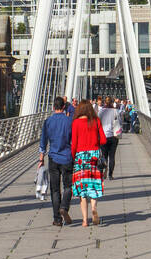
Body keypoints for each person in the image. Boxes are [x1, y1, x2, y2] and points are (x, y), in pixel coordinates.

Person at [38, 96, 74, 227]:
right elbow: (73, 140)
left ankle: (57, 219)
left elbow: (43, 141)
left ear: (54, 107)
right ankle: (64, 206)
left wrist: (41, 158)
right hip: (67, 157)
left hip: (53, 157)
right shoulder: (70, 121)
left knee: (54, 189)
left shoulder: (48, 121)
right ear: (64, 107)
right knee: (68, 186)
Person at [71, 99, 107, 227]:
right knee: (93, 185)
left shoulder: (75, 123)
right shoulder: (96, 121)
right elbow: (103, 140)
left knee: (82, 189)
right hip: (94, 157)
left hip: (80, 157)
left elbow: (74, 143)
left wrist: (73, 157)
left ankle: (85, 220)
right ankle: (94, 208)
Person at [98, 97, 121, 179]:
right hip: (113, 136)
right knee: (112, 156)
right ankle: (110, 175)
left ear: (105, 102)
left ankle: (103, 172)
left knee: (103, 156)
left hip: (103, 136)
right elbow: (119, 122)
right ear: (112, 102)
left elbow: (98, 123)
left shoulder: (101, 111)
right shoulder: (115, 111)